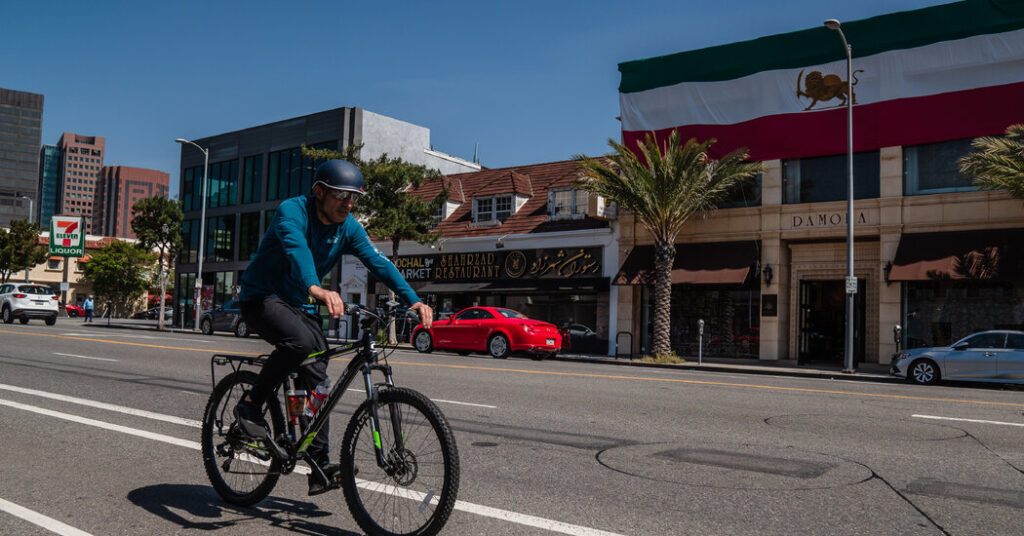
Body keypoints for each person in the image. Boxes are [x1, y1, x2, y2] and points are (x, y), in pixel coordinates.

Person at [232, 159, 433, 496]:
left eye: (354, 197)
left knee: (317, 377)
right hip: (261, 297)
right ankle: (250, 403)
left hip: (299, 303)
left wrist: (412, 299)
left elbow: (378, 262)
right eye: (341, 195)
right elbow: (297, 251)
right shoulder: (292, 212)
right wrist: (317, 288)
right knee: (299, 343)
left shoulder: (348, 227)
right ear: (319, 192)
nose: (348, 204)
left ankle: (317, 464)